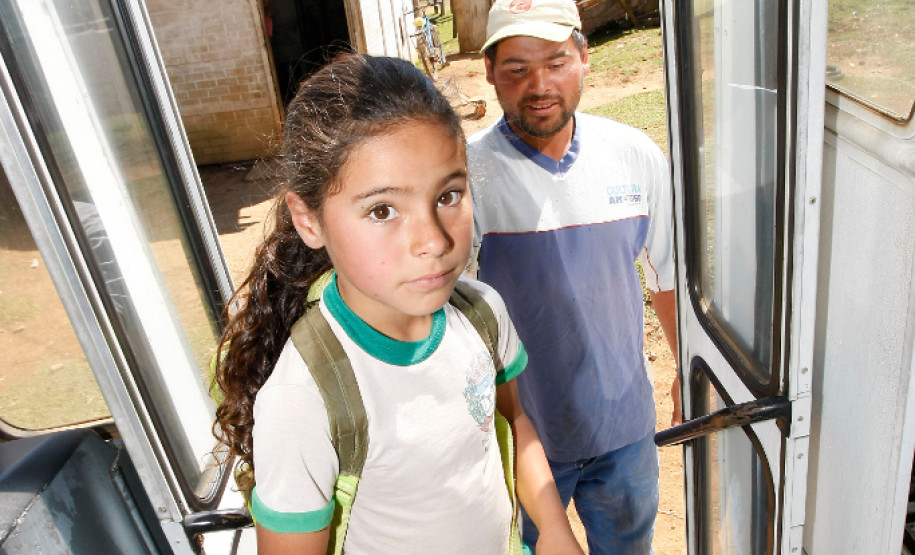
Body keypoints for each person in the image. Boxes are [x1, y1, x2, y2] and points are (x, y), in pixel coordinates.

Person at [212, 53, 582, 554]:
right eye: (383, 210)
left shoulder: (481, 313)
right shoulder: (305, 397)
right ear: (309, 220)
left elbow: (514, 423)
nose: (432, 239)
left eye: (449, 195)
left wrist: (556, 534)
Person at [467, 0, 681, 552]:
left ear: (585, 59)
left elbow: (666, 276)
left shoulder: (633, 157)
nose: (539, 84)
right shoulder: (466, 179)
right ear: (488, 71)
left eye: (557, 61)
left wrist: (686, 365)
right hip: (522, 437)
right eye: (516, 67)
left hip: (625, 427)